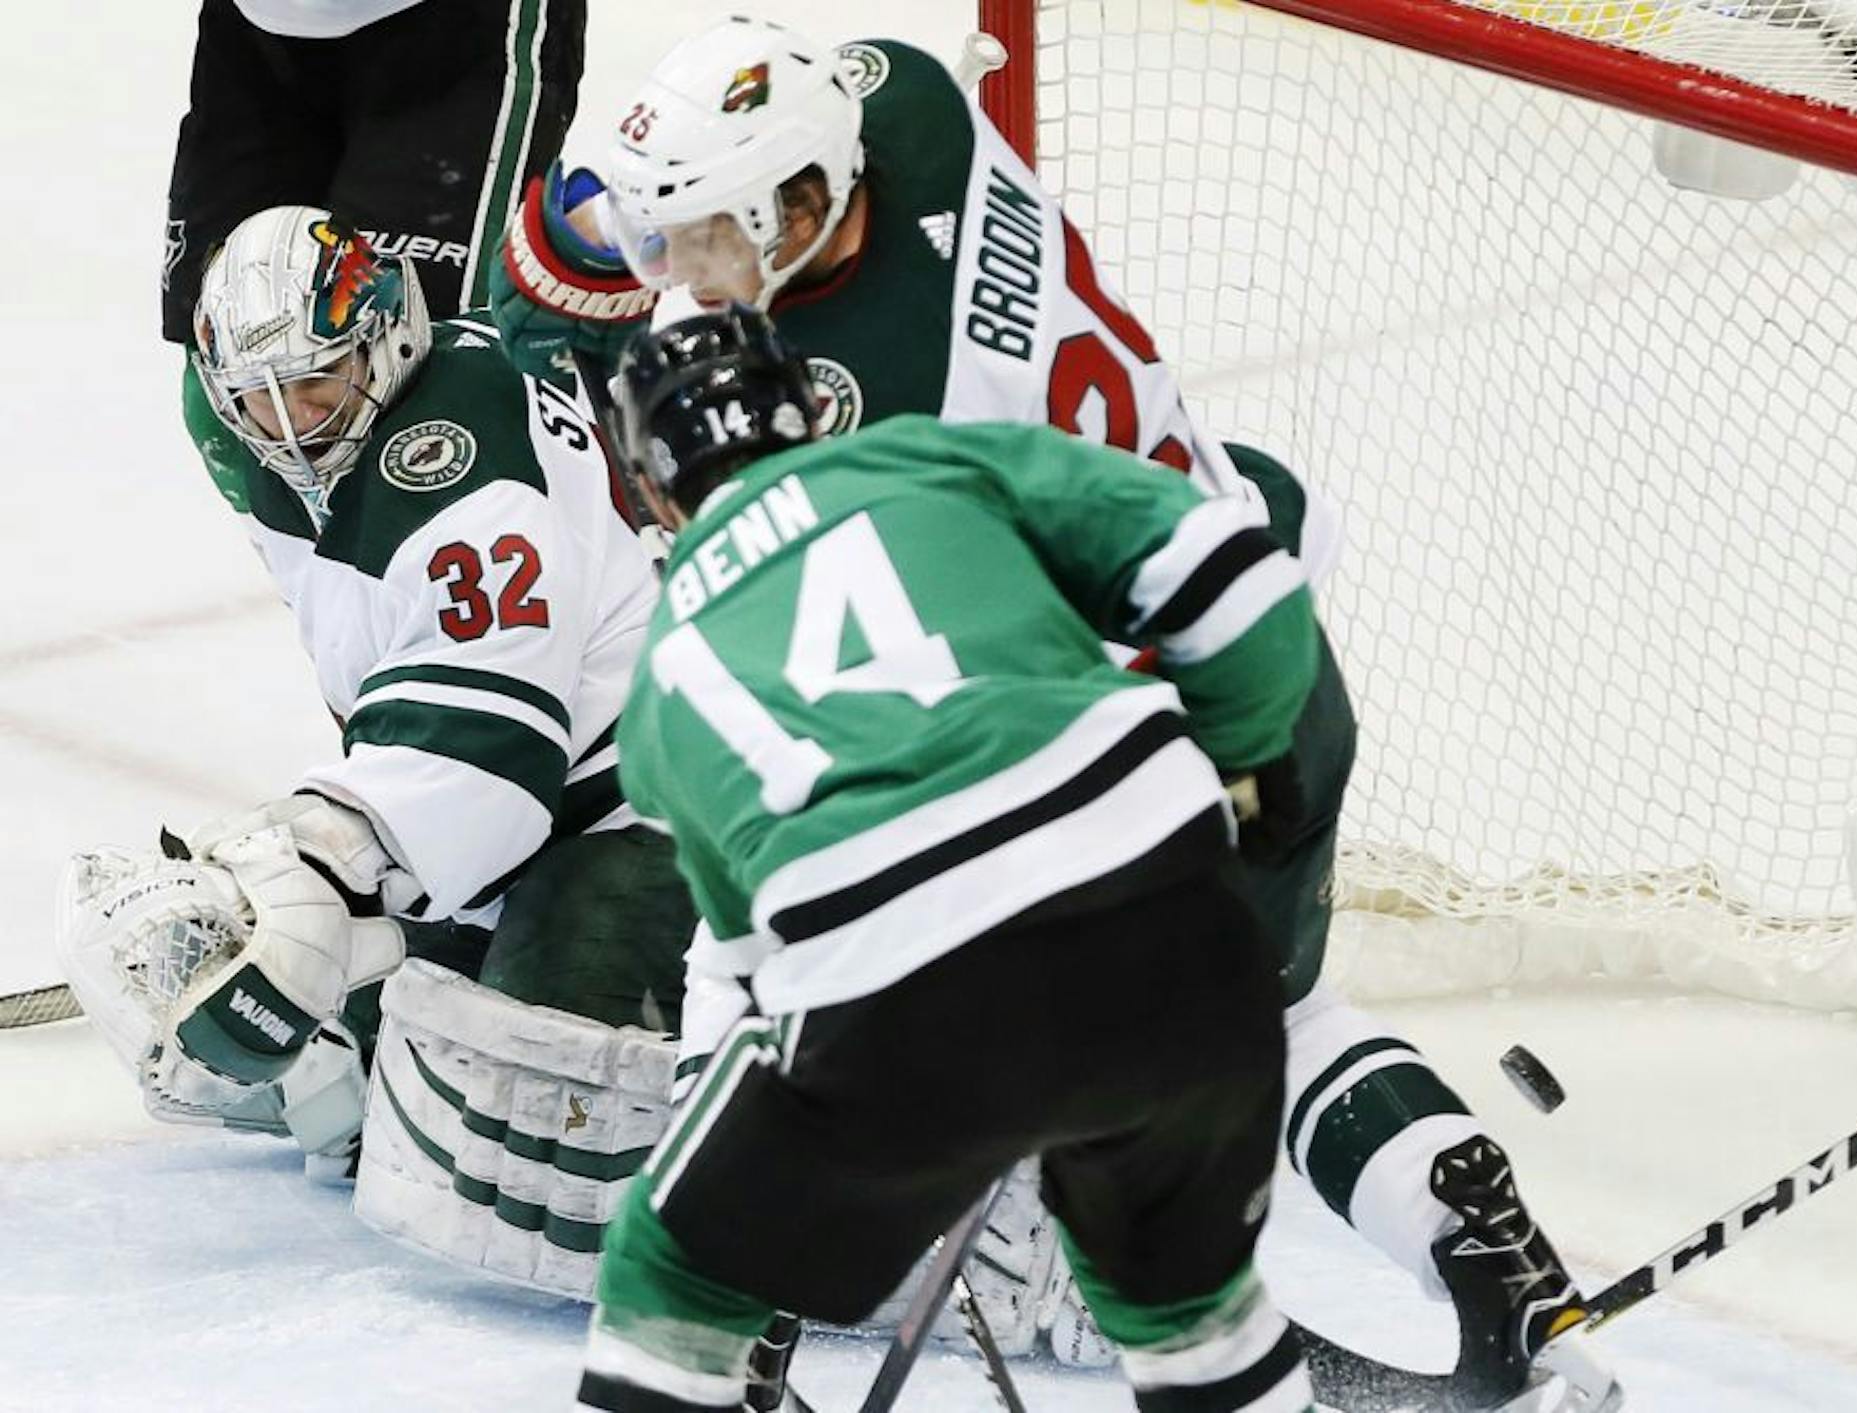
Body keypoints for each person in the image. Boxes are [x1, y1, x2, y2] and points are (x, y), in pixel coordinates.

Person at [492, 17, 1618, 1411]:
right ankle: (1490, 1260)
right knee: (1280, 1010)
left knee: (1071, 1051)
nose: (685, 280)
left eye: (710, 240)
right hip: (1262, 646)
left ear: (796, 206)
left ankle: (880, 1305)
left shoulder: (876, 420)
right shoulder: (900, 107)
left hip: (1133, 716)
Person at [579, 305, 1317, 1413]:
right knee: (1188, 1321)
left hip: (904, 1013)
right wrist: (1244, 766)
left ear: (651, 487)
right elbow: (1242, 578)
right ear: (814, 404)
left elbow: (750, 977)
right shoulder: (929, 455)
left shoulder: (661, 685)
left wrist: (768, 1189)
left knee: (669, 1275)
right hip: (1180, 946)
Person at [61, 203, 693, 1295]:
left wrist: (326, 859)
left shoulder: (458, 453)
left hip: (662, 815)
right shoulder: (263, 438)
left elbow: (489, 742)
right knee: (312, 1047)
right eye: (257, 398)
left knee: (536, 1128)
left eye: (315, 385)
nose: (293, 426)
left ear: (387, 339)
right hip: (516, 825)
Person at [165, 0, 585, 513]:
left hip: (455, 35)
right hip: (254, 27)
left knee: (424, 384)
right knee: (229, 383)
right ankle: (327, 584)